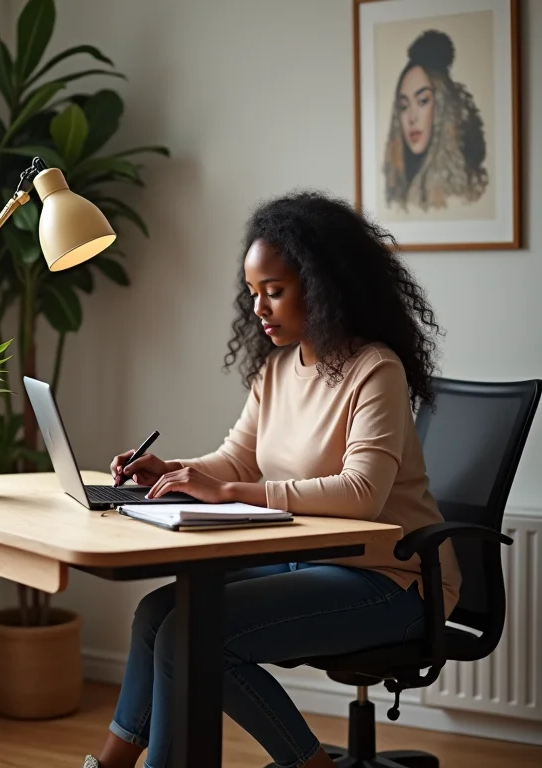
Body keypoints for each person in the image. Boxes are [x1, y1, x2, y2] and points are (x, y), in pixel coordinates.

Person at [81, 191, 461, 768]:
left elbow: (362, 495)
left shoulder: (375, 369)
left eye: (275, 291)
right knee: (159, 614)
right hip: (309, 561)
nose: (260, 308)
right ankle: (111, 762)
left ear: (322, 283)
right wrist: (175, 470)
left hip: (392, 579)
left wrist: (230, 492)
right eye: (254, 293)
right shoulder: (278, 367)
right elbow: (235, 460)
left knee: (192, 636)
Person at [383, 29, 488, 212]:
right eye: (404, 106)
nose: (412, 119)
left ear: (441, 107)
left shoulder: (466, 189)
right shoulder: (398, 190)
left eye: (423, 101)